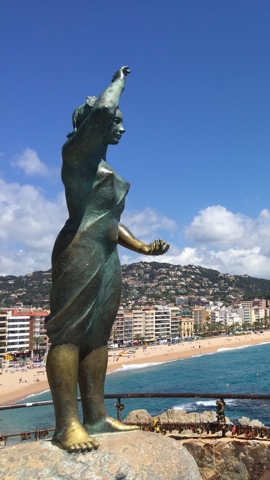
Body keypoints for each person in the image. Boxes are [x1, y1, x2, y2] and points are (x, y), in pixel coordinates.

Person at [46, 66, 169, 453]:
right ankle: (67, 424)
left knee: (97, 336)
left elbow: (110, 222)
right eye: (117, 120)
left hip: (107, 253)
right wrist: (117, 83)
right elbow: (100, 113)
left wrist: (143, 247)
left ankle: (96, 417)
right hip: (79, 250)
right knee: (68, 335)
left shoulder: (105, 168)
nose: (121, 127)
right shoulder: (76, 157)